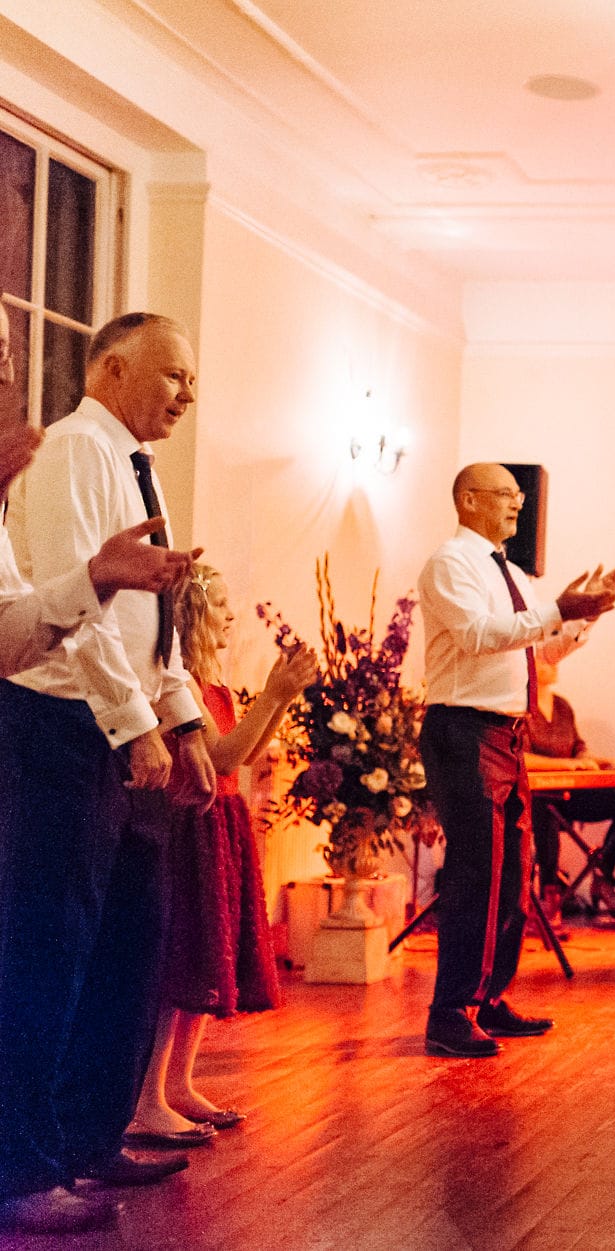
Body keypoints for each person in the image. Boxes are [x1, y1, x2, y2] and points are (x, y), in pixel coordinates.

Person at [0, 312, 218, 1235]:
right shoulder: (69, 453)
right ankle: (26, 1162)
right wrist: (134, 727)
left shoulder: (135, 461)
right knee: (53, 947)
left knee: (127, 939)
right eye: (174, 374)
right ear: (115, 367)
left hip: (128, 731)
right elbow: (73, 615)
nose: (187, 394)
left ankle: (90, 1134)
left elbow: (142, 616)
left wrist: (186, 718)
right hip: (63, 728)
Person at [416, 462, 615, 1058]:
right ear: (467, 499)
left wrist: (584, 613)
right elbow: (479, 635)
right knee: (477, 874)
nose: (518, 504)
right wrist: (558, 607)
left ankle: (488, 999)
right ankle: (449, 1010)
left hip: (508, 733)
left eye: (518, 495)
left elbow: (537, 646)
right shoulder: (450, 563)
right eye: (506, 494)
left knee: (514, 873)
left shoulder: (509, 570)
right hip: (464, 728)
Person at [128, 562, 317, 1144]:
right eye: (222, 604)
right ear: (191, 614)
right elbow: (225, 756)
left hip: (220, 828)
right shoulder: (177, 686)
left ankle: (181, 1084)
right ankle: (147, 1098)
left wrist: (282, 700)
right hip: (185, 829)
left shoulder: (211, 681)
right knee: (180, 968)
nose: (233, 614)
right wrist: (275, 693)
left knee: (208, 964)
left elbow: (248, 752)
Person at [0, 419, 193, 677]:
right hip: (66, 706)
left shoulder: (135, 460)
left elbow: (5, 643)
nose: (7, 377)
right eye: (174, 375)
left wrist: (93, 579)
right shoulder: (77, 443)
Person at [524, 657, 615, 917]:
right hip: (538, 797)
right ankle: (549, 893)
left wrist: (592, 760)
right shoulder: (519, 707)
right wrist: (567, 765)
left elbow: (578, 747)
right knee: (546, 809)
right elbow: (520, 758)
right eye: (545, 658)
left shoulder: (562, 706)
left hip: (571, 794)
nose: (553, 662)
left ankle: (603, 877)